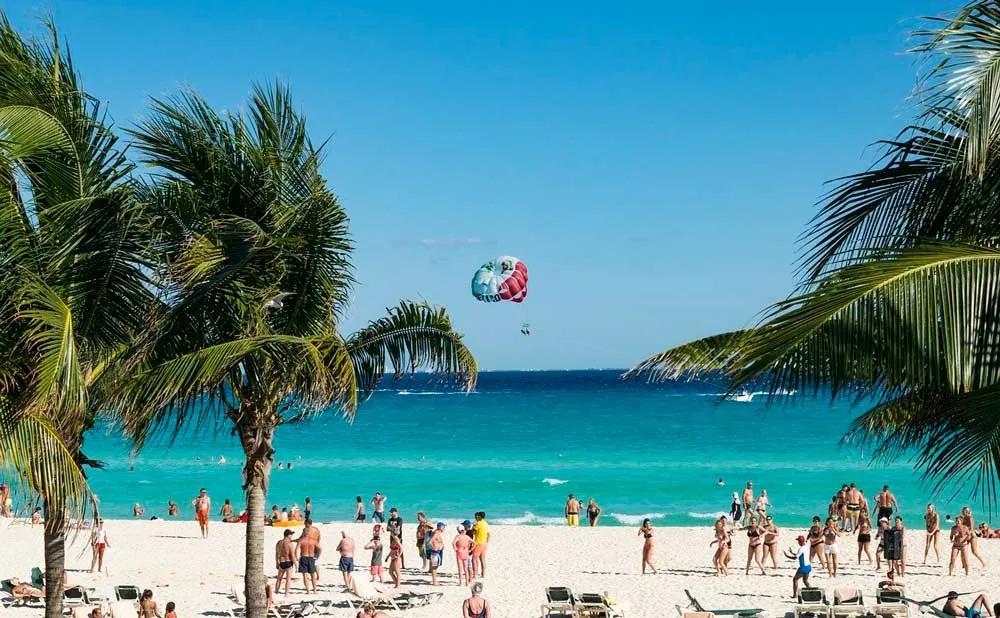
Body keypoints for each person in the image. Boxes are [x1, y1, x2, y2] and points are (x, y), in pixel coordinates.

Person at [297, 523, 320, 592]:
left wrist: (297, 557)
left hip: (304, 557)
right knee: (313, 574)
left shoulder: (301, 540)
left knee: (305, 575)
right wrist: (317, 556)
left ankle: (308, 591)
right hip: (311, 556)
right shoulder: (314, 538)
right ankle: (315, 590)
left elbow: (296, 549)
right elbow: (320, 548)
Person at [274, 529, 296, 595]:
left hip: (281, 562)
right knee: (288, 579)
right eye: (291, 534)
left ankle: (276, 591)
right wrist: (296, 565)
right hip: (288, 562)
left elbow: (277, 553)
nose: (292, 536)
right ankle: (286, 594)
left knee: (279, 579)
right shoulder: (290, 544)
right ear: (288, 535)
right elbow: (292, 555)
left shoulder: (279, 543)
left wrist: (277, 563)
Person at [472, 511, 490, 579]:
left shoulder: (478, 524)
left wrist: (473, 525)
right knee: (482, 559)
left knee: (474, 559)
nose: (475, 517)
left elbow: (473, 532)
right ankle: (483, 574)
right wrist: (487, 541)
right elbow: (489, 534)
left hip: (478, 543)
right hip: (484, 543)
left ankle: (475, 574)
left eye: (476, 516)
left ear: (479, 516)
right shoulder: (486, 523)